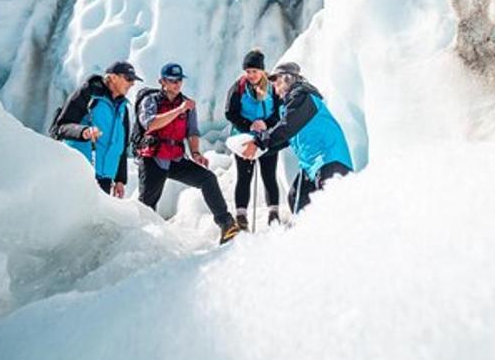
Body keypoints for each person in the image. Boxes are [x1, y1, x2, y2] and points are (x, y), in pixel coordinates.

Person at [138, 62, 240, 244]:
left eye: (179, 80)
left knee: (207, 179)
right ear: (162, 81)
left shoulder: (187, 105)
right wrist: (179, 110)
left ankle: (227, 224)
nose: (177, 84)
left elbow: (192, 132)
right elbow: (150, 124)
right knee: (146, 206)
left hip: (176, 158)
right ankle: (142, 242)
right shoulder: (151, 101)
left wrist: (195, 153)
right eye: (172, 80)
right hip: (153, 158)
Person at [241, 62, 353, 215]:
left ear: (289, 79)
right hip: (311, 167)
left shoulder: (303, 96)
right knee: (296, 199)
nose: (274, 86)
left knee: (331, 211)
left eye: (277, 81)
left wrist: (259, 142)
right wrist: (260, 151)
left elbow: (287, 127)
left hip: (330, 161)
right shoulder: (288, 106)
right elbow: (285, 138)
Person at [50, 61, 141, 197]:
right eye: (128, 79)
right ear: (113, 77)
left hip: (105, 179)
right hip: (81, 173)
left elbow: (121, 146)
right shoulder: (89, 94)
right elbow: (60, 127)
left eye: (133, 80)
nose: (132, 84)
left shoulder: (123, 108)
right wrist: (83, 132)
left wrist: (120, 180)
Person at [224, 48, 284, 229]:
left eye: (254, 71)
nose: (250, 75)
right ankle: (241, 217)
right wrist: (248, 125)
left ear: (262, 71)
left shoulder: (273, 88)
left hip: (267, 137)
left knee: (269, 176)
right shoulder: (238, 87)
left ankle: (274, 213)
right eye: (248, 71)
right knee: (244, 177)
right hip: (244, 138)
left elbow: (279, 112)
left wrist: (266, 124)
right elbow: (230, 113)